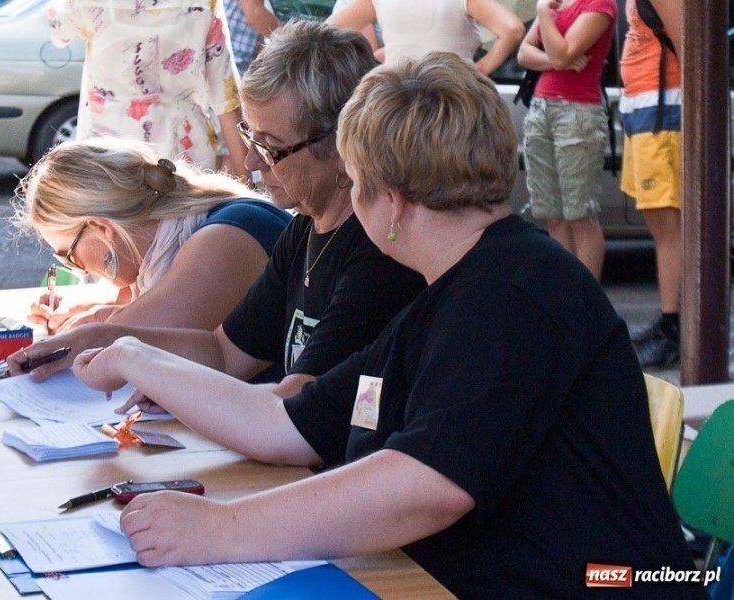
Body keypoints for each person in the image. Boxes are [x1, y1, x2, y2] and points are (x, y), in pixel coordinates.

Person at [71, 52, 704, 598]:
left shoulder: (516, 290)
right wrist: (133, 353)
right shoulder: (452, 288)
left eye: (355, 181)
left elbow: (427, 484)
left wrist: (223, 530)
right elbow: (287, 424)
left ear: (392, 202)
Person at [8, 21, 427, 398]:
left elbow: (295, 411)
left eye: (272, 146)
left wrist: (136, 358)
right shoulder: (306, 229)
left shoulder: (376, 251)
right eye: (251, 137)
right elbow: (223, 352)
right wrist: (110, 341)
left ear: (338, 147)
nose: (252, 163)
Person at [12, 137, 290, 333]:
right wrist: (76, 308)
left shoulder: (224, 237)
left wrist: (91, 322)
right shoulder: (179, 235)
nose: (82, 272)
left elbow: (139, 337)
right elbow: (136, 302)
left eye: (70, 257)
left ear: (102, 229)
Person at [46, 0, 250, 182]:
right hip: (183, 148)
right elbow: (225, 94)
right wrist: (245, 182)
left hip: (105, 145)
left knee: (107, 221)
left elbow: (59, 32)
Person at [517, 0, 617, 280]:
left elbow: (562, 55)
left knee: (580, 216)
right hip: (540, 108)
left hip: (579, 112)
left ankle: (587, 305)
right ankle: (565, 296)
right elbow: (524, 54)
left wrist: (541, 13)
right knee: (553, 216)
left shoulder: (599, 5)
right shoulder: (557, 2)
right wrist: (555, 59)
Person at [618, 0, 682, 367]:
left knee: (667, 224)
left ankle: (674, 327)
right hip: (646, 107)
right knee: (660, 223)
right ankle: (668, 322)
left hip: (663, 109)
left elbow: (691, 53)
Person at [326, 0, 524, 75]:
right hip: (455, 95)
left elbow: (330, 28)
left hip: (396, 98)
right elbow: (512, 29)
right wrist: (480, 70)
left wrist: (399, 51)